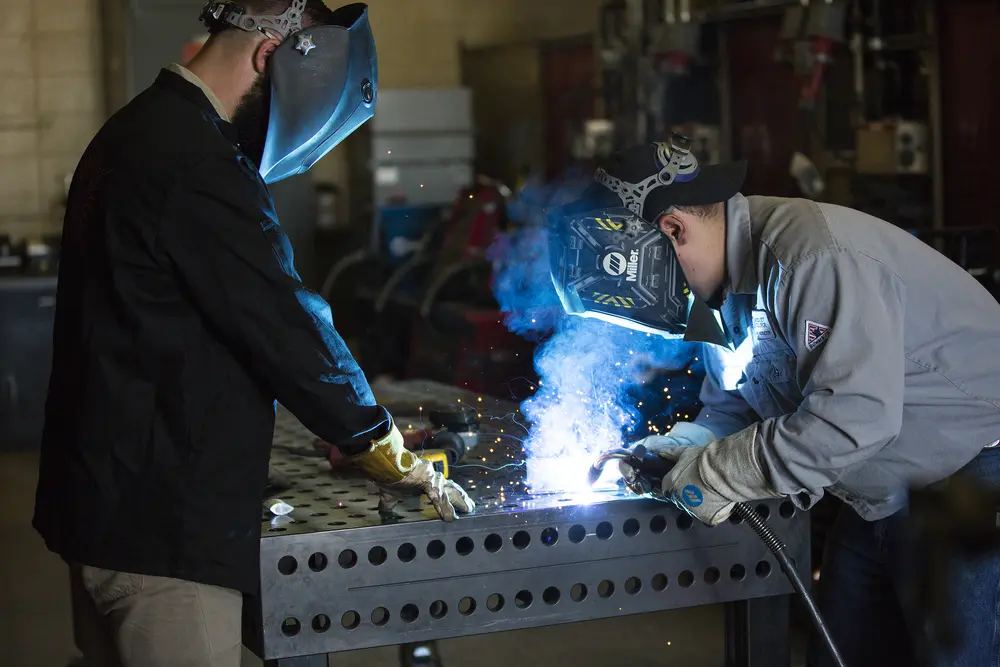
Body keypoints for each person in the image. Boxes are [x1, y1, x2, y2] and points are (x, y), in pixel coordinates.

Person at [32, 2, 473, 666]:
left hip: (107, 506)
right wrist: (374, 439)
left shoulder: (134, 131)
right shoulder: (196, 160)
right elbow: (285, 320)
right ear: (270, 56)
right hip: (161, 536)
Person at [547, 134, 1000, 667]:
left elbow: (854, 417)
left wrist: (717, 473)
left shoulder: (809, 258)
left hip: (973, 476)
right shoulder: (720, 290)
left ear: (672, 229)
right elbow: (737, 405)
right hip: (877, 489)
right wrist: (686, 445)